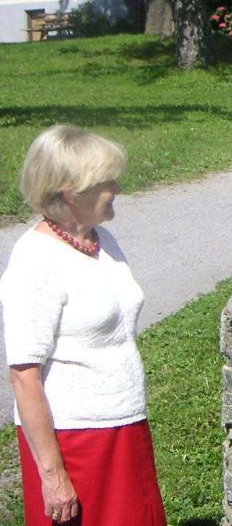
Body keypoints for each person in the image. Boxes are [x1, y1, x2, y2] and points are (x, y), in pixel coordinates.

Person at [0, 125, 167, 526]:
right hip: (75, 440)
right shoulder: (35, 260)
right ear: (72, 190)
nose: (117, 189)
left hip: (124, 423)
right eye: (108, 181)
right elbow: (24, 376)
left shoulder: (102, 240)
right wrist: (53, 475)